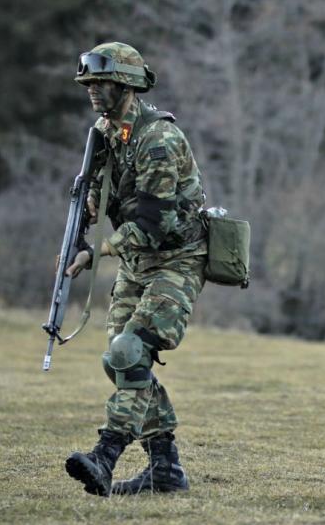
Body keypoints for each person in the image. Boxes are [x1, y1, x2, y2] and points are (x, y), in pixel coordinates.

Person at [63, 41, 208, 496]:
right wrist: (82, 221)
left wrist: (97, 252)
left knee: (130, 350)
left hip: (177, 258)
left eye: (100, 82)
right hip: (137, 261)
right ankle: (165, 470)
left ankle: (105, 455)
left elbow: (155, 224)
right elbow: (100, 194)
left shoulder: (159, 140)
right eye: (88, 83)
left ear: (124, 84)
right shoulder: (105, 133)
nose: (92, 90)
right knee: (122, 364)